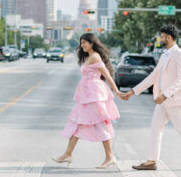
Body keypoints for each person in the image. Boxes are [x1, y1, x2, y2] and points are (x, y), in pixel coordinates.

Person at [127, 24, 181, 171]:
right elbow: (153, 76)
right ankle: (151, 161)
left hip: (174, 100)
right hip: (162, 101)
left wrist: (165, 95)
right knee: (156, 128)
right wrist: (133, 91)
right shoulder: (164, 55)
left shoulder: (179, 54)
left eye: (162, 37)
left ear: (169, 37)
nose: (160, 39)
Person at [53, 32, 126, 169]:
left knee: (100, 123)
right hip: (87, 96)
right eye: (81, 43)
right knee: (78, 123)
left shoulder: (95, 56)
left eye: (84, 43)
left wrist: (116, 91)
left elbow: (107, 75)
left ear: (92, 43)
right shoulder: (89, 57)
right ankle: (68, 153)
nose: (82, 45)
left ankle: (110, 156)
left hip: (95, 95)